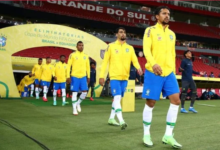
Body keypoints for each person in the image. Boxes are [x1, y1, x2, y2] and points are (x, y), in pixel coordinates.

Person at [142, 6, 182, 148]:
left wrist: (173, 69)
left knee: (176, 101)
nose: (167, 16)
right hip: (154, 72)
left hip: (169, 72)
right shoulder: (150, 31)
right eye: (164, 13)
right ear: (156, 16)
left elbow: (172, 53)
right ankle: (146, 134)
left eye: (168, 14)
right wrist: (153, 64)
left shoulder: (172, 33)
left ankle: (168, 135)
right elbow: (146, 49)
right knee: (151, 102)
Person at [99, 27, 142, 130]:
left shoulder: (130, 48)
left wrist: (139, 68)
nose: (123, 34)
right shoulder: (111, 46)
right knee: (117, 98)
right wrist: (101, 76)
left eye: (124, 32)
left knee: (118, 98)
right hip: (114, 76)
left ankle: (111, 118)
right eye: (121, 32)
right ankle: (121, 120)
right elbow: (105, 62)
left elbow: (134, 60)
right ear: (116, 35)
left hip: (125, 77)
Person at [67, 41, 90, 115]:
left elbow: (88, 67)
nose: (81, 46)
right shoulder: (72, 55)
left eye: (82, 45)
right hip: (74, 76)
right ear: (76, 46)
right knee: (74, 93)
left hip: (83, 76)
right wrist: (68, 76)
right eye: (79, 45)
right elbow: (68, 66)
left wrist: (88, 76)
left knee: (84, 92)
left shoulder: (86, 56)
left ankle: (78, 103)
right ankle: (74, 109)